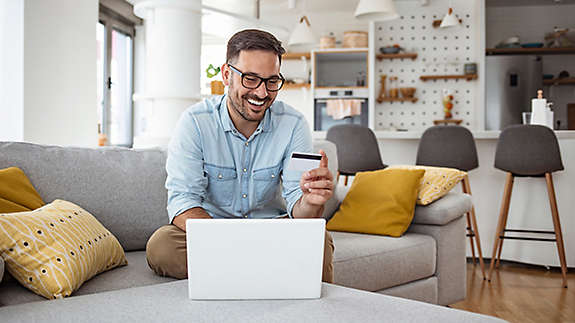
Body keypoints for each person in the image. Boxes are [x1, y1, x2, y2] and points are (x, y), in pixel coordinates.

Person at [146, 29, 335, 283]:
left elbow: (299, 211)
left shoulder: (293, 124)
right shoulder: (195, 122)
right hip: (212, 231)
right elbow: (183, 202)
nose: (261, 93)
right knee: (162, 246)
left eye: (271, 81)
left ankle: (237, 275)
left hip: (270, 230)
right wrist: (231, 242)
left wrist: (311, 202)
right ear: (226, 74)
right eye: (250, 79)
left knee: (318, 240)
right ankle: (268, 274)